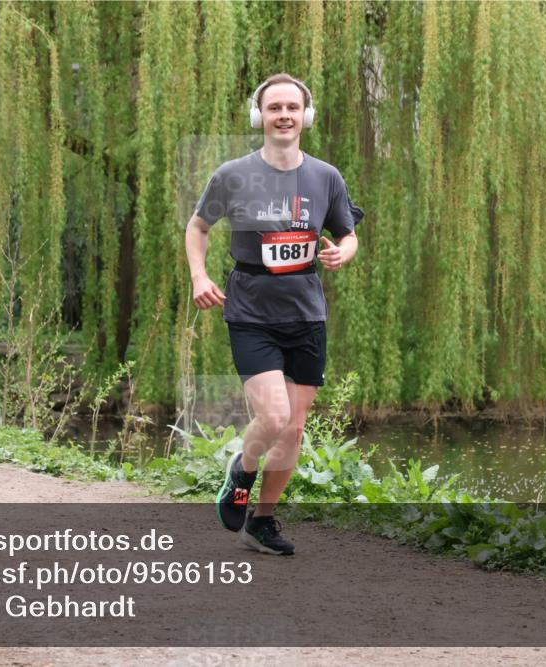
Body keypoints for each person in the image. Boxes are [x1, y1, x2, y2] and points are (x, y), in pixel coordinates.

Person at [186, 73, 363, 555]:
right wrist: (200, 277)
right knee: (274, 414)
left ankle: (261, 522)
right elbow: (197, 227)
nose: (283, 115)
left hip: (306, 313)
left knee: (295, 427)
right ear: (259, 116)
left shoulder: (326, 176)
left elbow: (347, 233)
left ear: (305, 116)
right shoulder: (232, 174)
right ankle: (241, 471)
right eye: (273, 108)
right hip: (251, 311)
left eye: (292, 108)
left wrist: (344, 252)